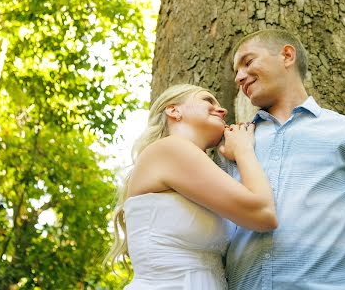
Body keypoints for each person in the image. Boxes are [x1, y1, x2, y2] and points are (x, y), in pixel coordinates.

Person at [220, 28, 345, 290]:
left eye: (248, 62)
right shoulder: (235, 143)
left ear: (287, 56)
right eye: (236, 71)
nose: (239, 77)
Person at [106, 83, 277, 290]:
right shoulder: (170, 149)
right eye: (207, 100)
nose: (222, 110)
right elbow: (263, 214)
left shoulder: (187, 168)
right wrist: (244, 150)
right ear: (174, 110)